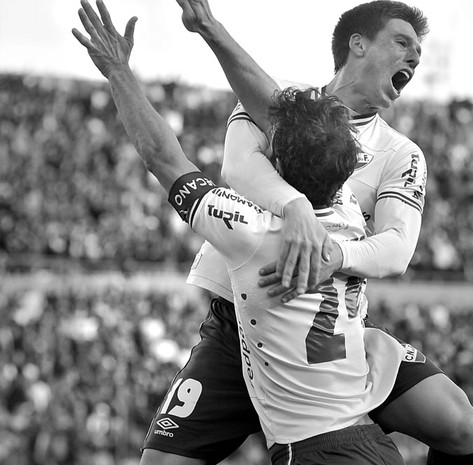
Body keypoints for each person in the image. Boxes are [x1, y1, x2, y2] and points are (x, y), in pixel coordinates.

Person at [72, 2, 408, 464]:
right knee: (457, 425)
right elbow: (294, 124)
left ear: (280, 165)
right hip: (373, 444)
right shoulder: (351, 216)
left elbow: (162, 156)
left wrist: (117, 71)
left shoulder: (253, 231)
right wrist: (209, 29)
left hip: (315, 452)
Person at [168, 1, 473, 465]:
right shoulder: (288, 102)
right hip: (242, 323)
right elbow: (237, 167)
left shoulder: (401, 154)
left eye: (418, 52)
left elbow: (397, 248)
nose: (414, 57)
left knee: (459, 426)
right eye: (402, 43)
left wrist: (334, 254)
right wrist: (295, 208)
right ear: (357, 44)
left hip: (328, 332)